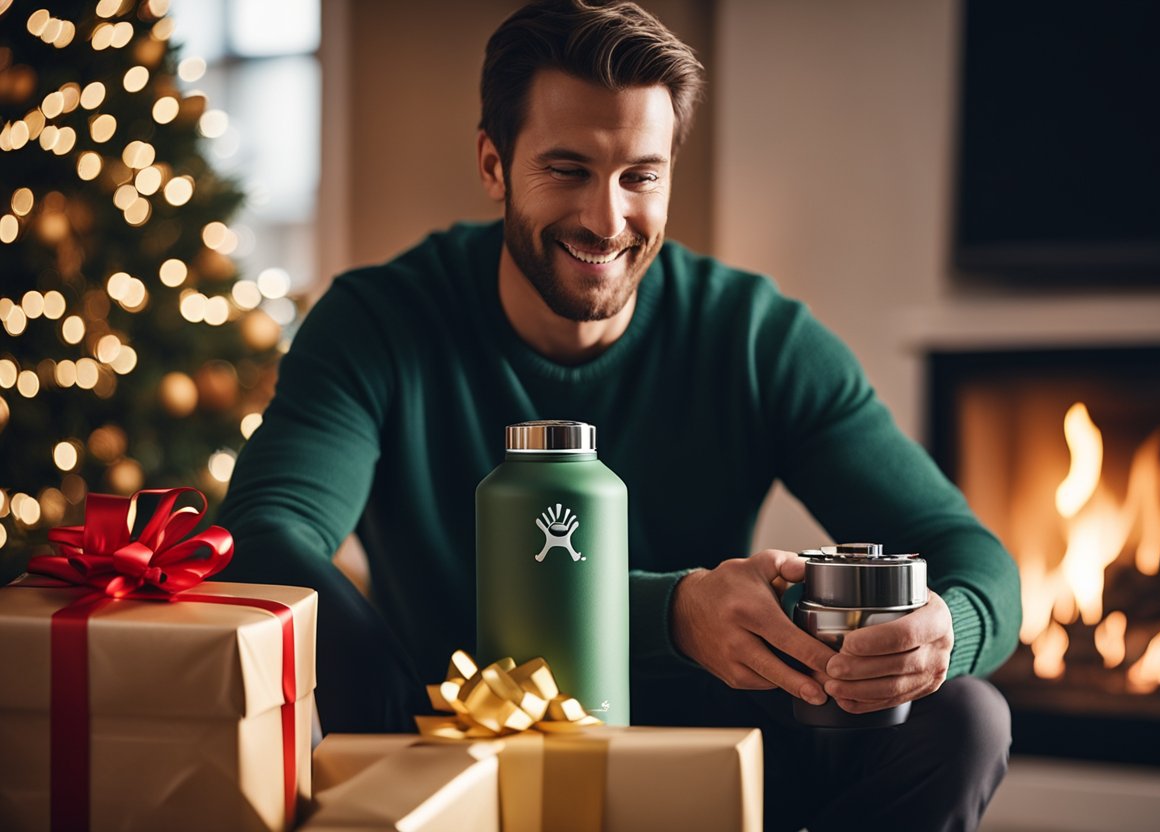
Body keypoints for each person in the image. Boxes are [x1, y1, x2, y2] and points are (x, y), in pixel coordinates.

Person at [217, 1, 1021, 828]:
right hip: (475, 749)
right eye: (567, 170)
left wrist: (940, 637)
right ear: (494, 165)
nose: (607, 220)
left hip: (717, 743)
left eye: (640, 175)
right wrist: (671, 613)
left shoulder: (755, 337)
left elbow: (975, 558)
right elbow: (266, 534)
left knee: (963, 717)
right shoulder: (380, 322)